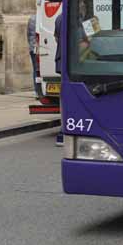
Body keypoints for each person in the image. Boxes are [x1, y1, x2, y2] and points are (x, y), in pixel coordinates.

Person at [54, 12, 64, 147]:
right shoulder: (77, 18)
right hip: (74, 62)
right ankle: (63, 130)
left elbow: (56, 37)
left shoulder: (59, 17)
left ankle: (63, 129)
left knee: (64, 96)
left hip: (62, 60)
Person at [26, 13, 39, 98]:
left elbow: (28, 34)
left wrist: (31, 45)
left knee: (35, 69)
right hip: (41, 47)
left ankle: (37, 91)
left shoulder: (32, 18)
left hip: (33, 47)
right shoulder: (43, 17)